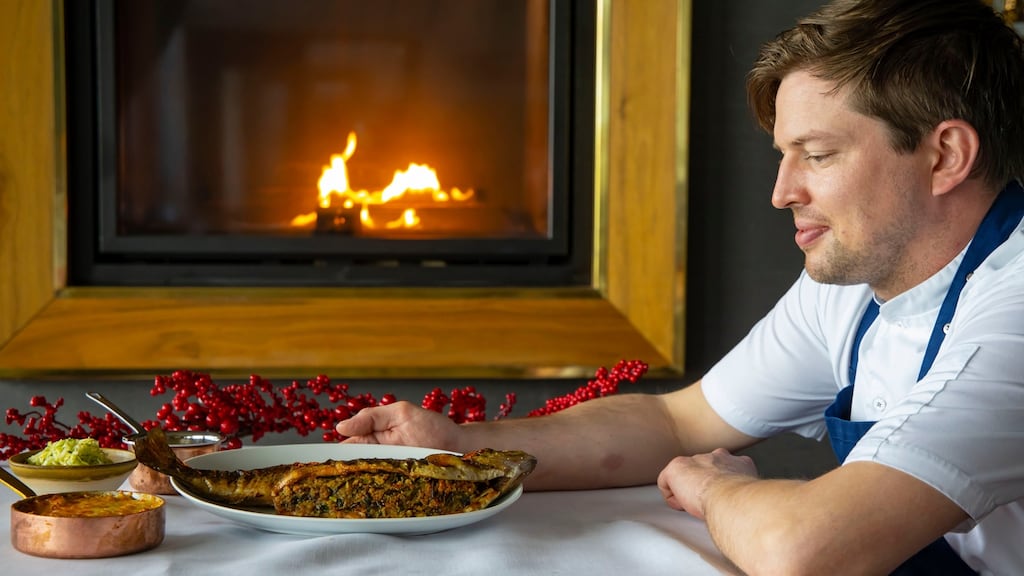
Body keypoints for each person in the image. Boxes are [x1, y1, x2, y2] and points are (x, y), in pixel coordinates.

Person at [336, 1, 1024, 574]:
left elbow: (805, 549)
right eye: (783, 157)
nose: (783, 193)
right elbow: (678, 422)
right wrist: (463, 446)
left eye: (817, 155)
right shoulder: (859, 281)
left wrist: (715, 488)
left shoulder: (1013, 315)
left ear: (945, 156)